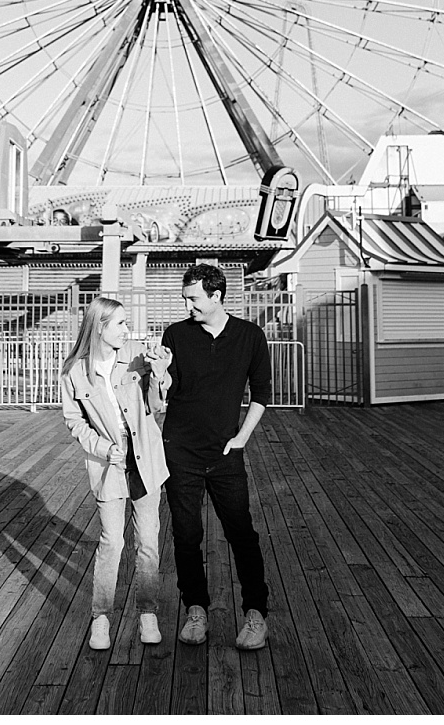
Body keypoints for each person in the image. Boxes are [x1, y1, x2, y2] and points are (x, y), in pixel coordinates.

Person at [160, 264, 272, 650]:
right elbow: (168, 390)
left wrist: (241, 438)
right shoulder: (176, 334)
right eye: (185, 298)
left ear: (216, 296)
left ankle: (256, 614)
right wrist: (160, 377)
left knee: (242, 533)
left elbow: (261, 394)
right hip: (180, 451)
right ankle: (196, 610)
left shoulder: (249, 336)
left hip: (225, 453)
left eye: (193, 298)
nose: (187, 304)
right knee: (186, 536)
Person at [60, 295, 173, 651]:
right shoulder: (74, 371)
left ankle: (147, 613)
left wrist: (160, 376)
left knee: (148, 543)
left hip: (146, 459)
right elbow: (74, 421)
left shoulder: (139, 357)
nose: (128, 330)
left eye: (127, 324)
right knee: (112, 542)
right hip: (108, 464)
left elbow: (158, 408)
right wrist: (103, 448)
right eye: (120, 324)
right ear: (100, 327)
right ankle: (101, 617)